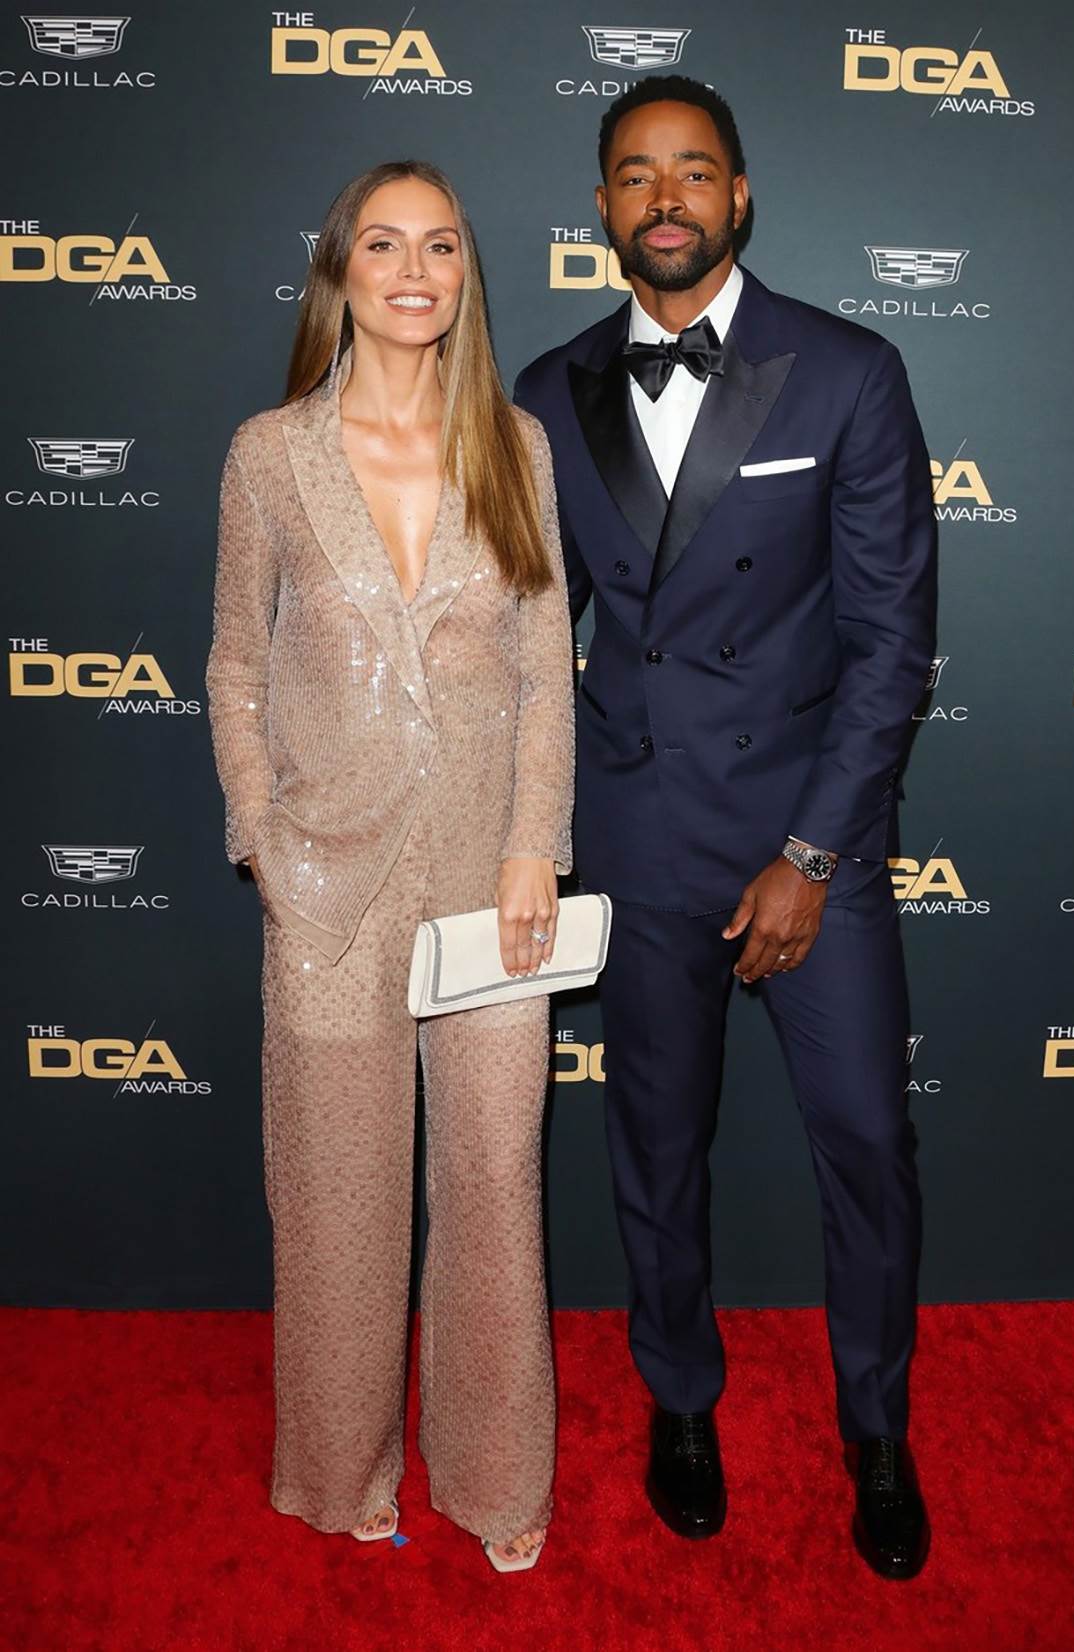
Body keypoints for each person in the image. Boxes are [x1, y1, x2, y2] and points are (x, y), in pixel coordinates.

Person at [515, 78, 936, 1578]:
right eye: (637, 175)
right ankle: (680, 1399)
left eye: (694, 171)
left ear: (740, 195)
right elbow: (524, 635)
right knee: (653, 1143)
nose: (667, 198)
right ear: (604, 207)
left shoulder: (847, 372)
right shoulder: (547, 391)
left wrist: (811, 857)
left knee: (868, 1140)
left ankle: (875, 1425)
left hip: (809, 835)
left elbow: (890, 642)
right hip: (637, 837)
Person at [206, 160, 574, 1573]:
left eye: (440, 245)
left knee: (494, 1185)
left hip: (493, 881)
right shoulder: (269, 455)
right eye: (383, 244)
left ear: (466, 273)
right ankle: (342, 1467)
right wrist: (263, 837)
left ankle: (495, 1480)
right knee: (337, 1196)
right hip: (326, 883)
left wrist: (535, 844)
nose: (414, 270)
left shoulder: (517, 448)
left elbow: (544, 672)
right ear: (339, 271)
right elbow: (236, 665)